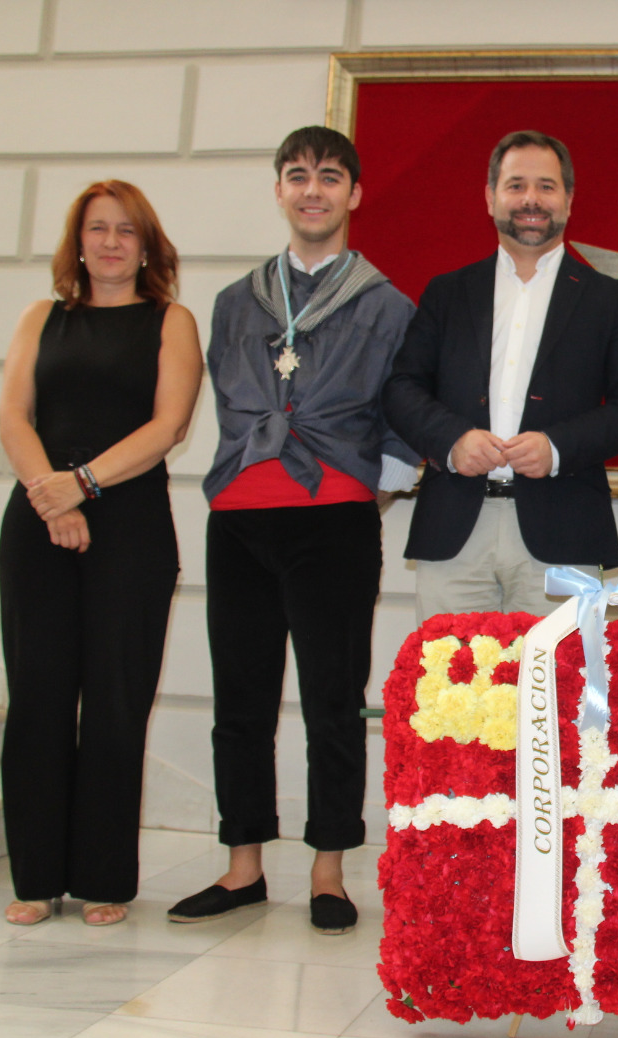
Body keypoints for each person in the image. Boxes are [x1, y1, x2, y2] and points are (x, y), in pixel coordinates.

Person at [166, 126, 419, 935]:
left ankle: (328, 871)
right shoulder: (235, 302)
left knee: (332, 702)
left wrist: (367, 491)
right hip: (240, 518)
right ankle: (242, 865)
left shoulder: (388, 306)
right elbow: (231, 400)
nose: (314, 190)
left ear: (354, 193)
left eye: (330, 177)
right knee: (240, 700)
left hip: (333, 520)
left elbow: (405, 413)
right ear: (279, 189)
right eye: (299, 175)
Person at [0, 180, 202, 927]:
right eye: (97, 229)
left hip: (130, 529)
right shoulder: (40, 318)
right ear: (77, 242)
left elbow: (169, 426)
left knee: (116, 703)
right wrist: (51, 497)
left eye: (126, 230)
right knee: (39, 699)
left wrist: (80, 485)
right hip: (38, 524)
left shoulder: (171, 321)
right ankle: (36, 877)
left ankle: (104, 877)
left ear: (147, 246)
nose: (111, 242)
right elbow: (13, 415)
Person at [381, 130, 618, 620]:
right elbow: (402, 388)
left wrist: (557, 447)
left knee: (556, 673)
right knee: (448, 671)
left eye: (546, 186)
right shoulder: (447, 293)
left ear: (568, 200)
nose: (531, 199)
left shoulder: (608, 299)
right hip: (454, 533)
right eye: (516, 186)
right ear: (491, 197)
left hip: (564, 532)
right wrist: (452, 440)